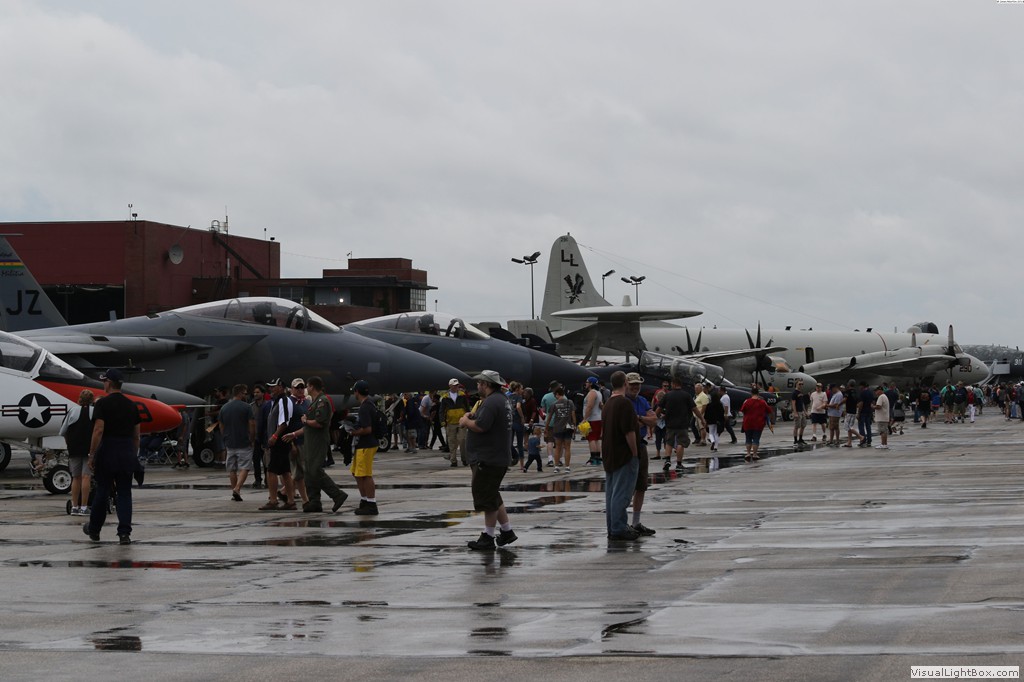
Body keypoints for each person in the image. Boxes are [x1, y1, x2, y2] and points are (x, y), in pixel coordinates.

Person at [459, 370, 517, 550]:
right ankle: (506, 531)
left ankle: (488, 537)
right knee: (492, 495)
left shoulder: (491, 402)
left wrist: (465, 421)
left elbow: (481, 426)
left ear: (486, 384)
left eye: (479, 383)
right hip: (496, 457)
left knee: (487, 499)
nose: (477, 386)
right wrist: (473, 416)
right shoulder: (502, 400)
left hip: (488, 459)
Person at [82, 369, 140, 545]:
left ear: (109, 383)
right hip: (126, 450)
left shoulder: (102, 404)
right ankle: (124, 533)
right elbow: (136, 436)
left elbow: (98, 430)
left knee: (103, 491)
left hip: (108, 450)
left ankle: (94, 529)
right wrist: (133, 455)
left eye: (104, 381)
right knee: (124, 493)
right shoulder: (132, 405)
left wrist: (92, 455)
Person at [300, 376, 348, 513]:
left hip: (318, 441)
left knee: (315, 470)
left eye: (307, 386)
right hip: (310, 440)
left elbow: (319, 423)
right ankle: (314, 501)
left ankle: (337, 494)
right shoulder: (315, 401)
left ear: (312, 387)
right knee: (309, 472)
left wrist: (305, 421)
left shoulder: (322, 401)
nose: (306, 388)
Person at [602, 371, 640, 541]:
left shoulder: (608, 404)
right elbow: (629, 431)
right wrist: (635, 452)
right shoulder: (624, 403)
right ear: (625, 383)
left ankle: (612, 527)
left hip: (609, 453)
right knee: (622, 493)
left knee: (611, 493)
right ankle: (619, 527)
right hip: (623, 454)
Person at [625, 372, 657, 535]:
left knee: (641, 484)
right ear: (625, 385)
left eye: (637, 384)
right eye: (632, 384)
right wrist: (644, 419)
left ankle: (636, 522)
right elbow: (630, 425)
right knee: (626, 485)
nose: (635, 387)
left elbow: (654, 420)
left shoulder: (642, 400)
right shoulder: (623, 402)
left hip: (641, 445)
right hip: (626, 446)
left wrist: (639, 418)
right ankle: (622, 522)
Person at [259, 379, 297, 510]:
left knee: (271, 471)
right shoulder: (276, 401)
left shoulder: (283, 401)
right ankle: (291, 501)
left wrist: (275, 436)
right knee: (285, 472)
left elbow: (284, 422)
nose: (271, 389)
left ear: (281, 387)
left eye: (273, 387)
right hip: (281, 441)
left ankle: (273, 500)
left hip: (280, 442)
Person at [60, 389, 95, 516]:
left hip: (74, 448)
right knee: (86, 477)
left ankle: (74, 506)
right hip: (89, 448)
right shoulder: (95, 411)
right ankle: (84, 507)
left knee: (76, 477)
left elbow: (63, 431)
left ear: (79, 399)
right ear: (92, 400)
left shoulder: (72, 411)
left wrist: (69, 443)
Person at [218, 383, 255, 502]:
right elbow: (251, 424)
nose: (246, 395)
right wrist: (252, 438)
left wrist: (224, 437)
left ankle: (234, 491)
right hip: (244, 441)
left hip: (230, 442)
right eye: (245, 393)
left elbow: (221, 425)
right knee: (245, 467)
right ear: (240, 393)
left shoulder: (224, 408)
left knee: (232, 469)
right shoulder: (247, 407)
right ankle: (237, 488)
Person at [658, 378, 702, 473]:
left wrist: (655, 417)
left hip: (670, 424)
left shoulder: (667, 395)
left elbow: (659, 408)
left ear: (674, 384)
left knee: (669, 442)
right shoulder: (686, 395)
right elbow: (694, 409)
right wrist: (702, 418)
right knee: (680, 443)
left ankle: (667, 460)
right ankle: (678, 464)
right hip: (682, 424)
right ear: (680, 384)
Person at [350, 379, 380, 515]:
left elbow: (367, 429)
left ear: (357, 392)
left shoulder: (364, 407)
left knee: (366, 475)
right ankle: (364, 500)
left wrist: (353, 432)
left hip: (366, 444)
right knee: (356, 473)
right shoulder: (370, 404)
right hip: (364, 444)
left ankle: (371, 503)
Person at [544, 386, 576, 473]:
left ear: (557, 394)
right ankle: (567, 467)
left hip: (557, 428)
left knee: (558, 447)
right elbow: (573, 415)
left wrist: (546, 428)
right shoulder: (570, 402)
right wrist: (574, 425)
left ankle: (556, 466)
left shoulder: (554, 404)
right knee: (567, 448)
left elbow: (549, 417)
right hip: (568, 427)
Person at [440, 379, 471, 467]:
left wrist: (468, 418)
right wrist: (442, 421)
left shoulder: (462, 395)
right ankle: (453, 461)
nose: (456, 387)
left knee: (462, 440)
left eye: (457, 385)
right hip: (450, 423)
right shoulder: (445, 397)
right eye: (454, 385)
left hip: (462, 422)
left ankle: (464, 459)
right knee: (452, 442)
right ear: (450, 386)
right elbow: (441, 410)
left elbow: (467, 408)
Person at [740, 386, 772, 462]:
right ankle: (754, 454)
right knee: (756, 439)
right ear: (758, 393)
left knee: (748, 438)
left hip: (748, 422)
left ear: (751, 393)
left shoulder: (746, 401)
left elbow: (742, 410)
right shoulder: (762, 402)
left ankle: (748, 453)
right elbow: (769, 410)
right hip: (758, 423)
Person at [582, 376, 604, 466]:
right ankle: (598, 458)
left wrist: (585, 419)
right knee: (596, 439)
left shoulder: (592, 393)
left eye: (587, 382)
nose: (586, 383)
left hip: (592, 419)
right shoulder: (599, 393)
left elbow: (590, 406)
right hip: (598, 418)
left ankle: (593, 458)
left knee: (591, 439)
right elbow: (601, 405)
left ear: (591, 383)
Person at [249, 384, 267, 488]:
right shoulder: (251, 406)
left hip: (265, 437)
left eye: (258, 392)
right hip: (255, 437)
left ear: (263, 393)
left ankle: (268, 480)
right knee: (256, 460)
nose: (255, 394)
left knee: (266, 461)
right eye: (254, 392)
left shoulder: (268, 405)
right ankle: (258, 479)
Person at [791, 380, 808, 445]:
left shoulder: (801, 393)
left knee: (803, 425)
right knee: (796, 426)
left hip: (802, 411)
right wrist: (795, 412)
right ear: (796, 384)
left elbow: (802, 403)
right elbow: (793, 403)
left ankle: (800, 439)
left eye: (802, 384)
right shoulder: (794, 393)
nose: (801, 385)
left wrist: (805, 411)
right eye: (799, 384)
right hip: (797, 411)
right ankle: (795, 440)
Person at [873, 385, 890, 450]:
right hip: (884, 417)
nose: (875, 392)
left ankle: (883, 444)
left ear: (880, 390)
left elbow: (878, 406)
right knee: (884, 431)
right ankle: (884, 444)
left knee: (882, 431)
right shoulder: (885, 396)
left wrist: (872, 407)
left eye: (876, 391)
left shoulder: (881, 397)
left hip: (881, 417)